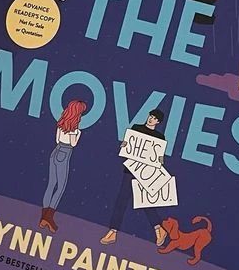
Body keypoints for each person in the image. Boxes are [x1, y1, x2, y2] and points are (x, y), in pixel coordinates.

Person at [100, 109, 167, 247]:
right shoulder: (136, 128)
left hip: (146, 173)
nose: (151, 119)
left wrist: (160, 161)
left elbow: (159, 158)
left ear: (158, 122)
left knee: (145, 202)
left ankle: (159, 229)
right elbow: (128, 146)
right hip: (131, 170)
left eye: (154, 118)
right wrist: (124, 145)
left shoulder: (159, 137)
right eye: (151, 116)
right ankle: (113, 231)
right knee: (122, 201)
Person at [39, 99, 87, 232]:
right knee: (60, 186)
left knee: (51, 184)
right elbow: (73, 144)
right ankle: (48, 217)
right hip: (65, 153)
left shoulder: (61, 124)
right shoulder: (74, 129)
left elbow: (56, 139)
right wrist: (77, 134)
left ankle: (43, 217)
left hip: (55, 151)